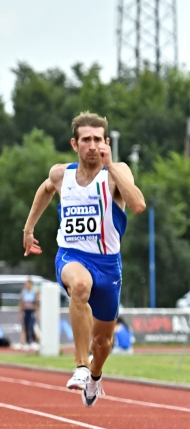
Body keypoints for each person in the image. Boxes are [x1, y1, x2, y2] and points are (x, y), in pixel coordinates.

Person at [23, 111, 145, 407]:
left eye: (98, 139)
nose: (93, 145)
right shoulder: (61, 175)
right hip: (72, 255)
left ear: (106, 142)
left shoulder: (116, 173)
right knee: (78, 287)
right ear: (75, 144)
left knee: (103, 343)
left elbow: (138, 204)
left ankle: (95, 374)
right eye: (86, 140)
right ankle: (79, 365)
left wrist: (111, 166)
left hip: (107, 264)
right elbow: (45, 189)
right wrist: (29, 228)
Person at [18, 279, 39, 349]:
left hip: (32, 311)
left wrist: (36, 312)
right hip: (25, 311)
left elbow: (36, 303)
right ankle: (27, 342)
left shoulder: (34, 292)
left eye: (28, 284)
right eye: (26, 284)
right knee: (26, 326)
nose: (27, 285)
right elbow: (21, 303)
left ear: (31, 284)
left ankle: (32, 341)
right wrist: (20, 312)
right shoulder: (23, 292)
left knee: (31, 325)